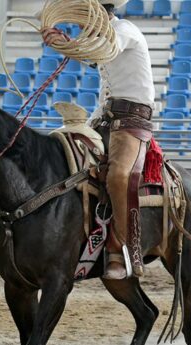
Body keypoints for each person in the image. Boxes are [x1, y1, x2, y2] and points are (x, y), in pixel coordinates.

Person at [44, 0, 155, 279]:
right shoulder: (104, 44)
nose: (83, 27)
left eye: (85, 20)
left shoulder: (124, 30)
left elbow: (108, 47)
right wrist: (66, 42)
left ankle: (124, 249)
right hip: (106, 117)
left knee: (118, 176)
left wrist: (68, 45)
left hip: (132, 120)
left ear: (100, 16)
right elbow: (97, 57)